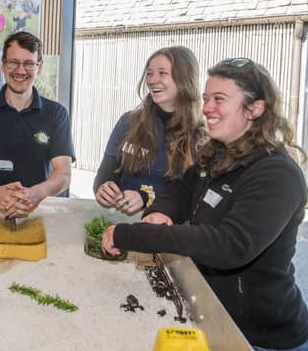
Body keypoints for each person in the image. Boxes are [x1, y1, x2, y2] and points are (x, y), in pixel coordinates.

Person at [102, 58, 308, 351]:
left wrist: (136, 235)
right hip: (212, 315)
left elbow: (230, 245)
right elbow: (182, 190)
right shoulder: (216, 152)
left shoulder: (277, 174)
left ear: (255, 109)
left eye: (219, 99)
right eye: (206, 98)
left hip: (260, 338)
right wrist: (161, 212)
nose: (207, 108)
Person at [0, 31, 75, 218]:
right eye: (13, 62)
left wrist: (35, 194)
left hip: (36, 214)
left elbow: (63, 174)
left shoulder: (56, 114)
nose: (20, 70)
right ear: (3, 65)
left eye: (28, 63)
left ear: (39, 67)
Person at [94, 46, 204, 215]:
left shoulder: (201, 136)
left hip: (168, 232)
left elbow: (193, 198)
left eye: (162, 73)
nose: (152, 80)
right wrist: (104, 189)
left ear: (185, 79)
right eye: (149, 73)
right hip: (122, 227)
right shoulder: (128, 122)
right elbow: (104, 176)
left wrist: (146, 198)